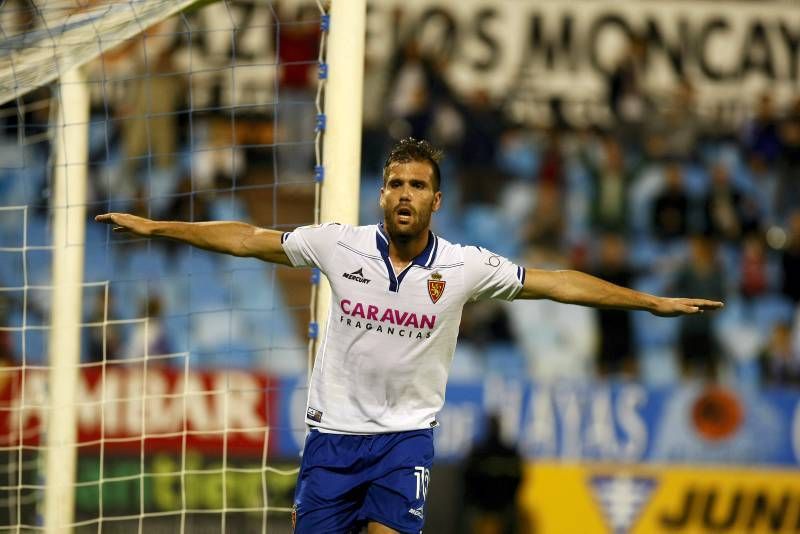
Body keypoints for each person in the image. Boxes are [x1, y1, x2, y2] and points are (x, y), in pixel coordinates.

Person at [96, 138, 723, 534]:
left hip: (404, 440)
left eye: (417, 185)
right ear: (382, 193)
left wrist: (649, 303)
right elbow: (245, 239)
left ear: (436, 200)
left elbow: (557, 282)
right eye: (396, 183)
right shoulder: (337, 245)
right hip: (333, 439)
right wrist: (155, 227)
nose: (404, 194)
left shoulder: (466, 267)